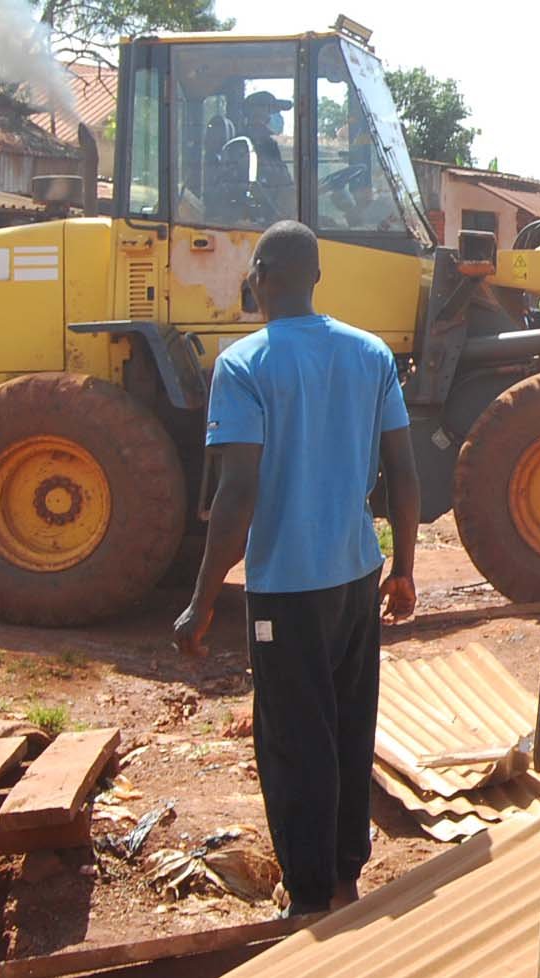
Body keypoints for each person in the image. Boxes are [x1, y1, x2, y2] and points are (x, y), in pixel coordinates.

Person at [173, 221, 420, 918]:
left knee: (293, 738)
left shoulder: (244, 365)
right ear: (315, 278)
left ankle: (310, 900)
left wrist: (202, 599)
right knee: (347, 726)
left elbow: (238, 493)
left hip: (286, 587)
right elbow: (403, 473)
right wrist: (402, 568)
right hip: (355, 577)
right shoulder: (370, 354)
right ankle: (344, 879)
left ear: (260, 277)